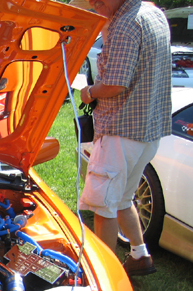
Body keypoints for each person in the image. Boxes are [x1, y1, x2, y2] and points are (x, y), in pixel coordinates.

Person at [78, 0, 171, 276]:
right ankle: (140, 255)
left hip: (121, 129)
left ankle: (104, 275)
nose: (93, 4)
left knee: (103, 205)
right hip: (147, 131)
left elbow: (115, 84)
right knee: (122, 198)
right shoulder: (153, 14)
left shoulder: (126, 23)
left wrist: (89, 92)